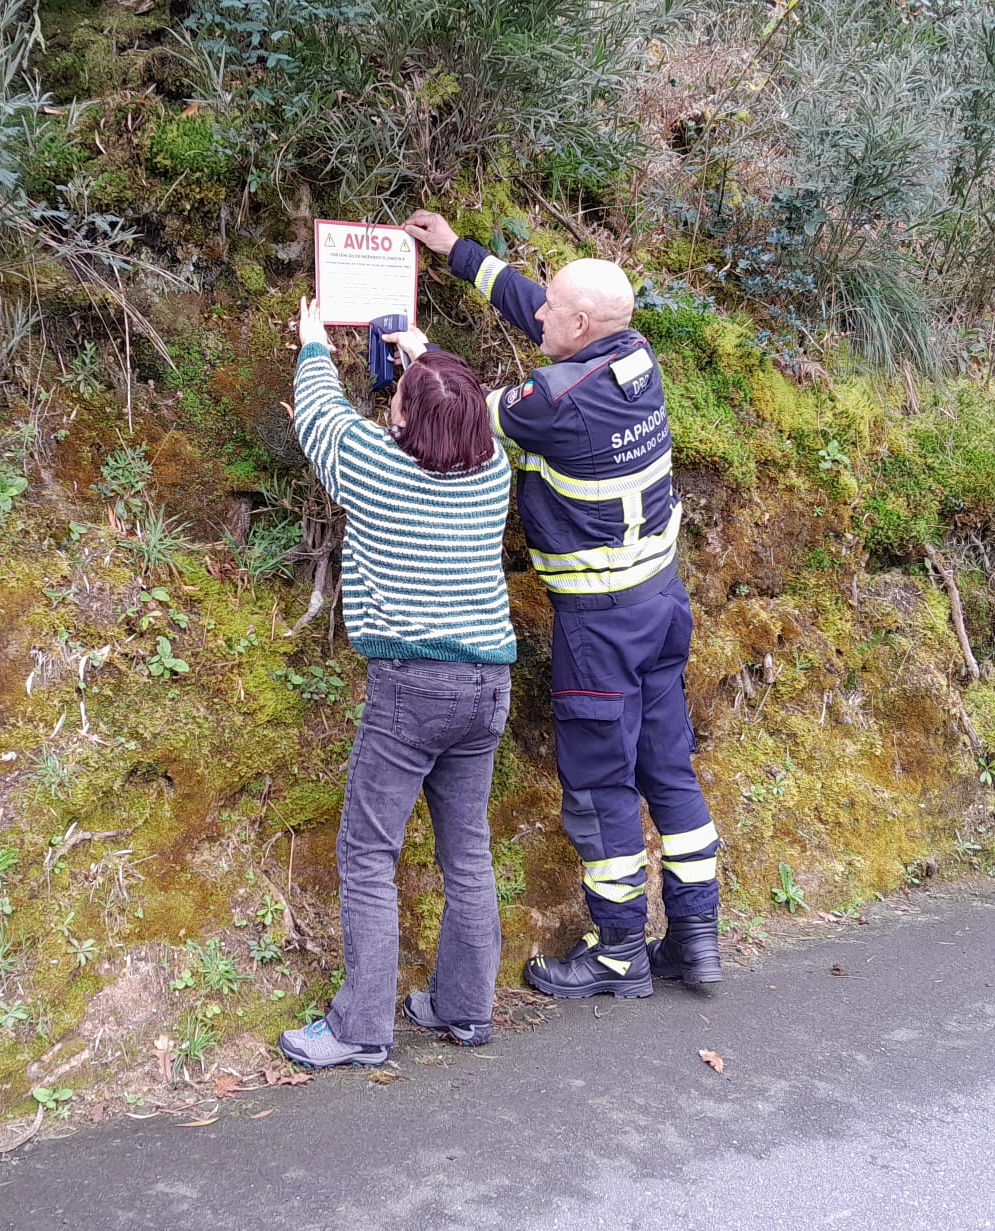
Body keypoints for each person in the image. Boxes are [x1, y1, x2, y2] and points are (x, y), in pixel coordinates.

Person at [400, 209, 723, 1000]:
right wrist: (459, 254)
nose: (537, 310)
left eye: (553, 306)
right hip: (661, 604)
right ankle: (696, 940)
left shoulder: (552, 403)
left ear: (581, 325)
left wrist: (420, 359)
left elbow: (458, 411)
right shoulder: (635, 357)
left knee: (601, 787)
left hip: (601, 626)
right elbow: (544, 316)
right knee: (668, 769)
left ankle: (619, 956)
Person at [276, 297, 517, 1069]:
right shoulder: (493, 470)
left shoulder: (375, 468)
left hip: (412, 687)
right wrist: (425, 355)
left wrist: (314, 344)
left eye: (400, 403)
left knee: (368, 854)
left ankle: (361, 1028)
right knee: (467, 854)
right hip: (488, 685)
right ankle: (464, 1009)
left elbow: (320, 417)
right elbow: (458, 408)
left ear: (402, 419)